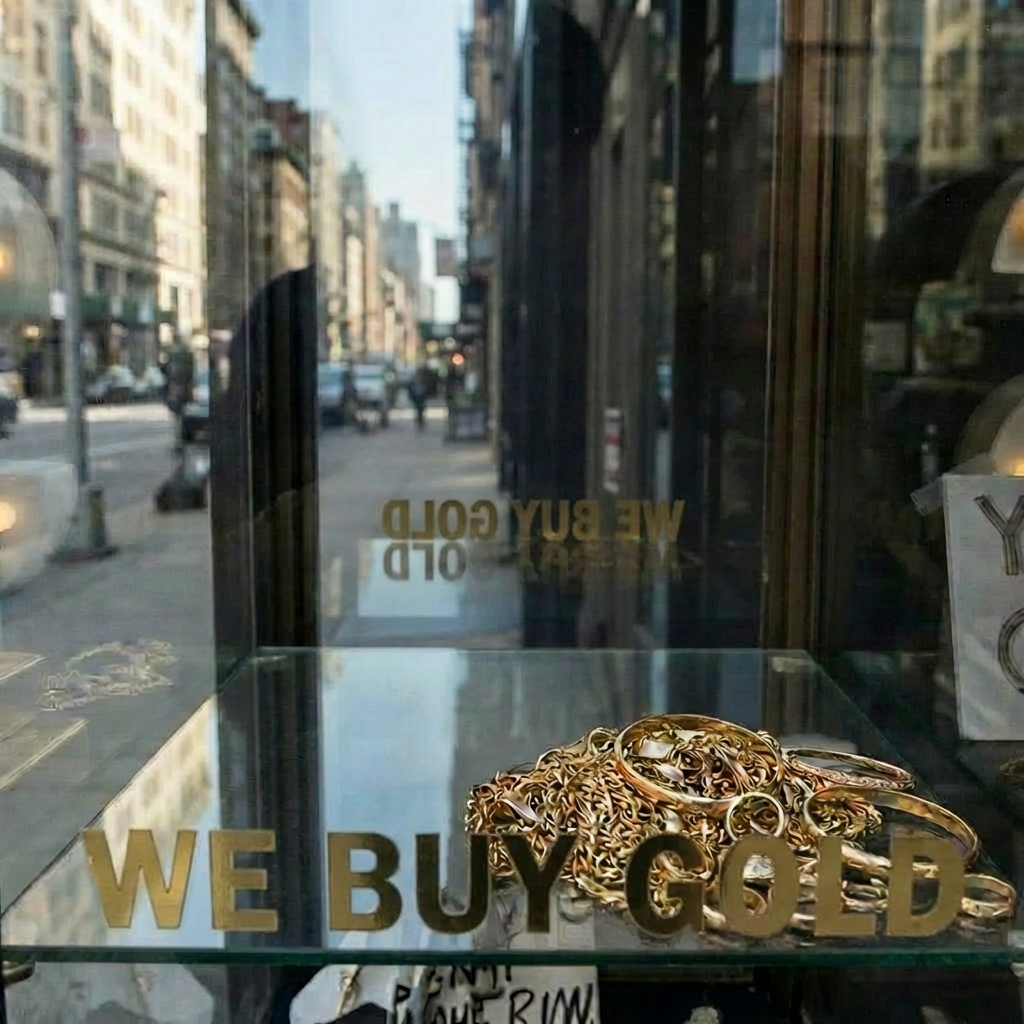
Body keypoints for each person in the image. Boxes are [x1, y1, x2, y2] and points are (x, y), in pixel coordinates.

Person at [409, 365, 428, 430]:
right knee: (418, 408)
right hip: (416, 397)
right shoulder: (414, 380)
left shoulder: (423, 379)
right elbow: (410, 388)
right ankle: (419, 419)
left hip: (421, 397)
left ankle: (420, 419)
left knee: (421, 409)